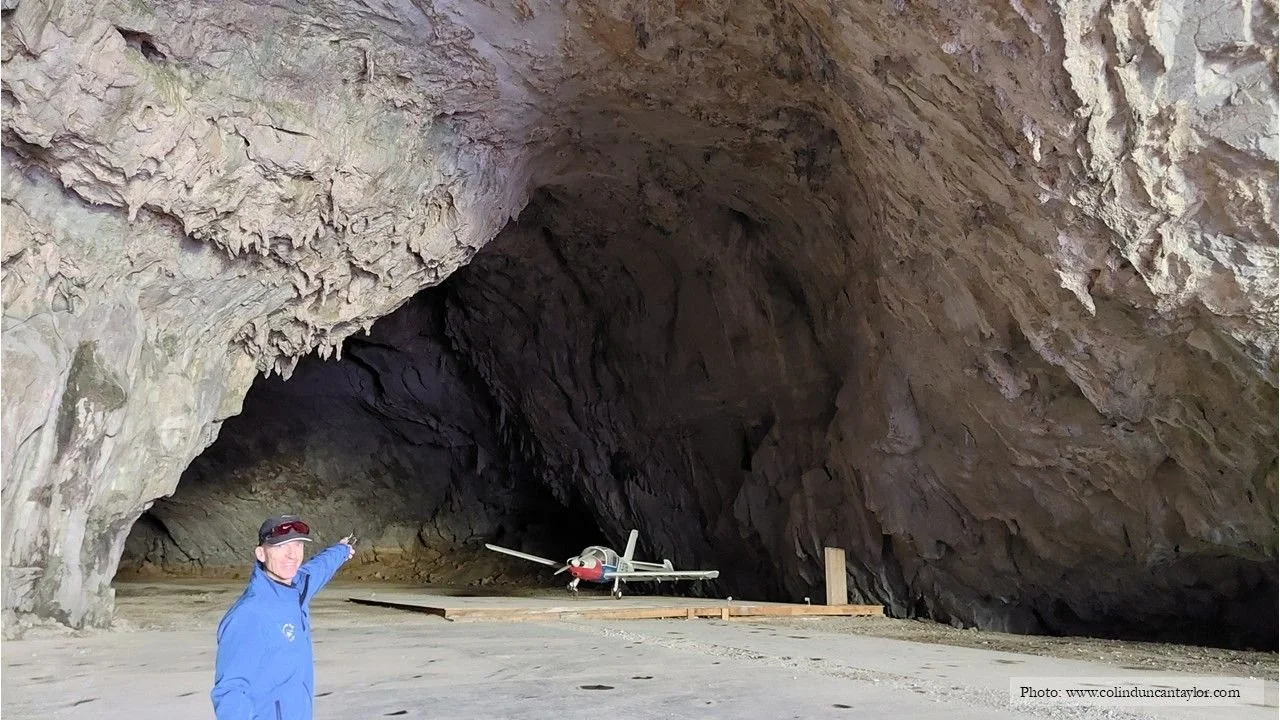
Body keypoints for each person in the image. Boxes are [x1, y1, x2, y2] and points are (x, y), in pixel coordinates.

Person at [211, 514, 356, 720]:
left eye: (297, 545)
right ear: (261, 554)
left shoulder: (296, 588)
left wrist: (341, 550)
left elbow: (318, 569)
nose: (292, 555)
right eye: (280, 547)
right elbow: (230, 692)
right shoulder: (249, 614)